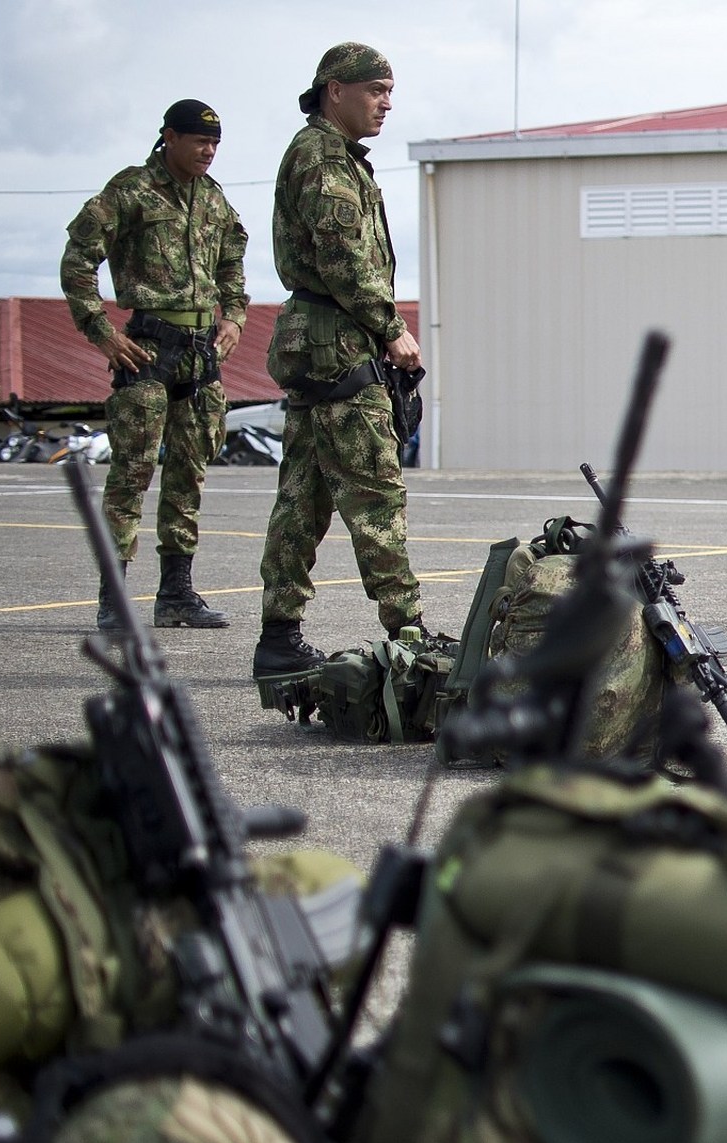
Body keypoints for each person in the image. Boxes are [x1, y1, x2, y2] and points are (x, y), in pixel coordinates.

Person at [252, 43, 427, 681]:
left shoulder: (336, 158)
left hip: (320, 340)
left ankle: (279, 636)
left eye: (390, 92)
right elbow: (341, 258)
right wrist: (391, 330)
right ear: (334, 89)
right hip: (339, 343)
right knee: (375, 490)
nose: (386, 103)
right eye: (376, 89)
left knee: (304, 494)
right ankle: (408, 633)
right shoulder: (324, 157)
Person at [60, 100, 249, 632]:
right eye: (197, 140)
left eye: (214, 143)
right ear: (168, 137)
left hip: (199, 352)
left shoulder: (213, 198)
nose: (208, 151)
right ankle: (113, 599)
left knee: (189, 474)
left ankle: (176, 594)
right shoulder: (131, 190)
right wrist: (102, 332)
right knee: (131, 475)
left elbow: (234, 264)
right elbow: (78, 258)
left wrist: (233, 317)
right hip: (146, 348)